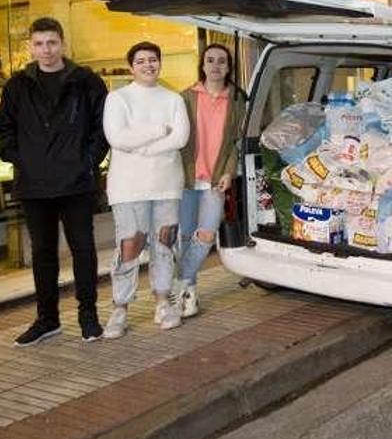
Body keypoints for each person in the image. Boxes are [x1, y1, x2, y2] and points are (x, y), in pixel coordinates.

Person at [0, 17, 108, 346]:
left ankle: (88, 317)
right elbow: (4, 130)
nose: (45, 50)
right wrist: (23, 160)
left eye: (51, 42)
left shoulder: (86, 81)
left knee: (83, 250)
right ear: (30, 47)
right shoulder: (17, 86)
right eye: (39, 44)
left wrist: (85, 162)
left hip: (76, 183)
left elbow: (102, 129)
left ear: (62, 43)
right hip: (34, 185)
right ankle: (47, 320)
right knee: (43, 254)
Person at [102, 41, 190, 339]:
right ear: (131, 66)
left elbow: (180, 137)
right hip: (128, 187)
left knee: (165, 243)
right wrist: (156, 132)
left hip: (167, 184)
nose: (148, 65)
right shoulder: (118, 98)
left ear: (160, 63)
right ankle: (120, 308)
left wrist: (142, 146)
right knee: (129, 246)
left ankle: (164, 302)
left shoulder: (173, 99)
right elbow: (117, 138)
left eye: (153, 59)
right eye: (140, 61)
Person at [173, 44, 246, 317]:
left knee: (205, 236)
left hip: (216, 180)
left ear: (228, 67)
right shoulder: (185, 98)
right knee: (184, 235)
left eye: (222, 61)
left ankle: (178, 284)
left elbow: (234, 144)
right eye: (210, 60)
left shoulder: (237, 101)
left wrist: (229, 171)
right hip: (187, 178)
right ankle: (189, 292)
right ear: (202, 65)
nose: (216, 65)